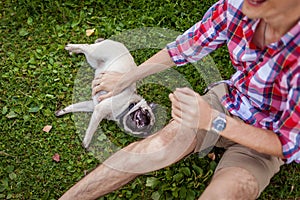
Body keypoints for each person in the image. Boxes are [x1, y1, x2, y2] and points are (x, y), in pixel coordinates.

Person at [60, 0, 300, 199]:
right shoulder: (241, 6)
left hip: (266, 141)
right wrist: (125, 80)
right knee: (153, 149)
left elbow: (290, 144)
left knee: (227, 192)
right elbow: (185, 47)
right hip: (230, 101)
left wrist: (214, 121)